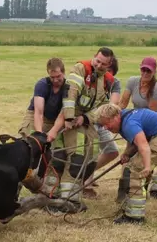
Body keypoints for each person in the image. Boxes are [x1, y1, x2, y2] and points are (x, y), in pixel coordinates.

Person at [46, 47, 115, 210]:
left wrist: (84, 118)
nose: (99, 65)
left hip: (86, 121)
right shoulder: (80, 69)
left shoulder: (107, 81)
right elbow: (71, 93)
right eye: (97, 61)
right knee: (75, 157)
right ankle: (62, 199)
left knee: (90, 159)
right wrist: (70, 117)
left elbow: (102, 107)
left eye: (103, 64)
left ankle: (71, 197)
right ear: (94, 58)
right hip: (70, 118)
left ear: (109, 65)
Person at [96, 103, 157, 224]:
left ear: (115, 116)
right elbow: (134, 140)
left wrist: (146, 166)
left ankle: (135, 217)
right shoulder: (125, 118)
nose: (106, 128)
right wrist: (127, 154)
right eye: (103, 125)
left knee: (135, 169)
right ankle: (128, 204)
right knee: (130, 166)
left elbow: (143, 145)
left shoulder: (129, 123)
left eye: (107, 123)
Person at [116, 56, 157, 201]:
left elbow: (152, 113)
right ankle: (122, 192)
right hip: (134, 120)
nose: (145, 73)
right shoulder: (132, 81)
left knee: (145, 157)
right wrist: (115, 118)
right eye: (143, 69)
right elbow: (123, 103)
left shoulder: (156, 88)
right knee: (127, 157)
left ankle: (143, 190)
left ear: (154, 72)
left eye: (149, 71)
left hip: (150, 125)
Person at [18, 57, 65, 196]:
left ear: (63, 72)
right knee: (27, 148)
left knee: (58, 153)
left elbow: (63, 115)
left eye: (58, 76)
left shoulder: (69, 87)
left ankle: (50, 188)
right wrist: (39, 137)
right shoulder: (42, 84)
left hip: (56, 118)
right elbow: (38, 112)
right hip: (37, 115)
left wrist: (54, 131)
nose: (55, 80)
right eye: (52, 77)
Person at [83, 56, 122, 199]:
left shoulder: (115, 83)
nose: (105, 72)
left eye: (109, 70)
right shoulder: (90, 80)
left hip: (103, 123)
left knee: (112, 151)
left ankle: (86, 176)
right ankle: (85, 184)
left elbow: (113, 105)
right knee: (90, 152)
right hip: (88, 121)